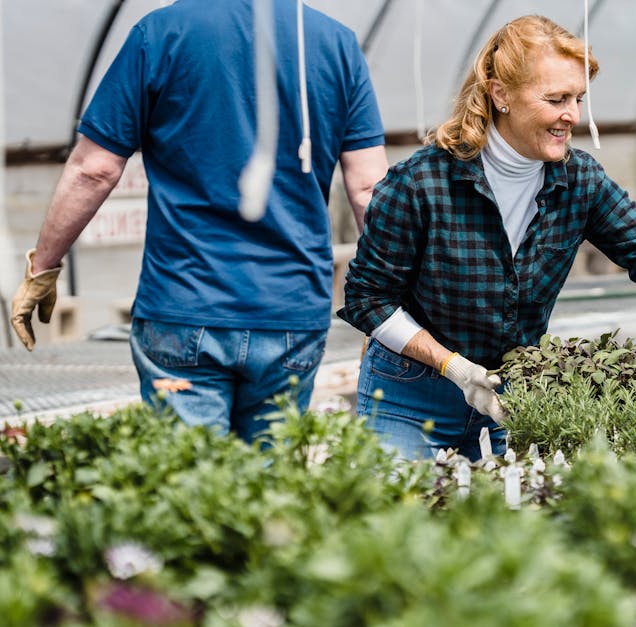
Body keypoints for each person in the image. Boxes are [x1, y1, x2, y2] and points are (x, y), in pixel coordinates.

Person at [339, 14, 636, 461]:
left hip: (514, 395)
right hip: (410, 393)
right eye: (555, 99)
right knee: (401, 523)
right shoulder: (422, 183)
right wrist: (455, 369)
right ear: (499, 94)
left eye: (577, 99)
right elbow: (367, 299)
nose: (572, 115)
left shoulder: (579, 180)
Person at [9, 0, 389, 442]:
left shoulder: (160, 32)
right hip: (291, 312)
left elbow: (93, 169)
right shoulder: (335, 42)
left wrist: (43, 267)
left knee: (193, 491)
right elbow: (367, 188)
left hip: (184, 307)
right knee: (271, 494)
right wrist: (389, 298)